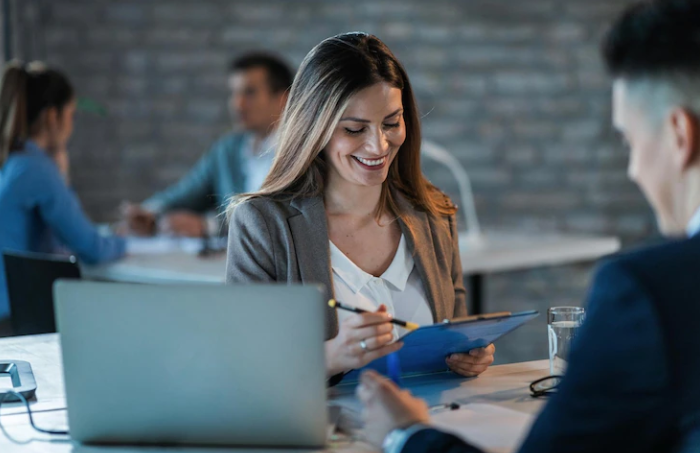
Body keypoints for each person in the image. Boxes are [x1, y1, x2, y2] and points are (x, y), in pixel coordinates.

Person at [356, 1, 700, 452]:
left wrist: (404, 435)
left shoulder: (651, 292)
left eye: (630, 141)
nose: (634, 170)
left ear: (678, 135)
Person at [226, 33, 495, 383]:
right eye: (355, 129)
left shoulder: (434, 213)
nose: (378, 145)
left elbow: (454, 332)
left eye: (391, 123)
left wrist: (467, 355)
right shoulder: (263, 224)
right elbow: (241, 366)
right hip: (327, 432)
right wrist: (330, 356)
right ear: (315, 127)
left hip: (427, 428)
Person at [0, 62, 126, 336]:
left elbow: (56, 240)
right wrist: (128, 240)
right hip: (11, 319)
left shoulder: (15, 159)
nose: (72, 125)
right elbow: (91, 248)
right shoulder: (36, 168)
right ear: (51, 117)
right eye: (71, 115)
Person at [123, 52, 294, 238]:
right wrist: (149, 213)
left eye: (249, 93)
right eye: (234, 93)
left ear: (282, 98)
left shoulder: (302, 152)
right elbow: (186, 193)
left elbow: (282, 220)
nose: (237, 104)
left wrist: (209, 226)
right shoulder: (228, 149)